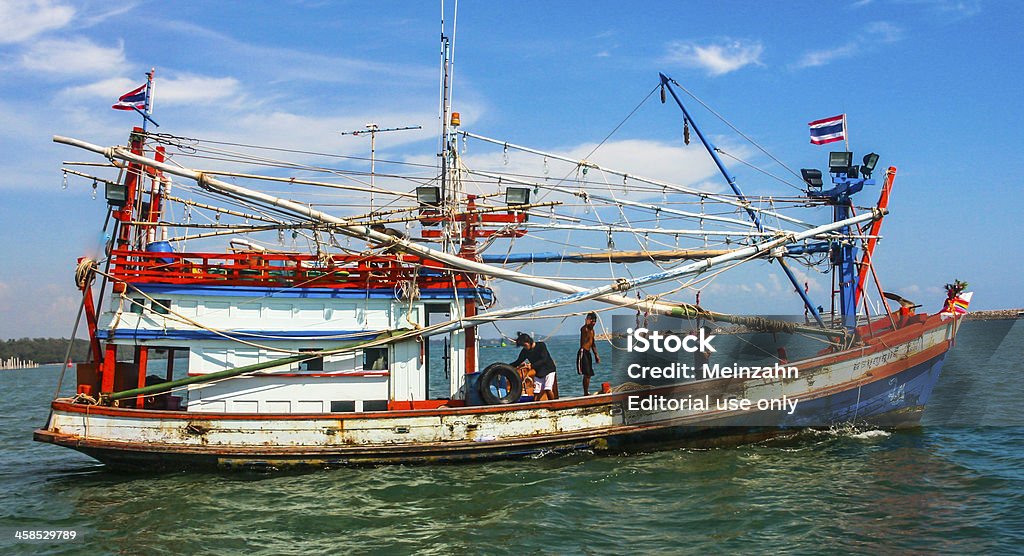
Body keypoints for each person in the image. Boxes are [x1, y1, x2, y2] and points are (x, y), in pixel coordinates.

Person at [510, 332, 557, 401]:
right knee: (536, 392)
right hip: (539, 372)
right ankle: (535, 406)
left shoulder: (541, 345)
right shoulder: (525, 351)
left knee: (547, 389)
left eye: (524, 345)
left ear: (529, 341)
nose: (524, 347)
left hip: (549, 370)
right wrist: (506, 366)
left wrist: (532, 365)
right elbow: (518, 362)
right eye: (523, 346)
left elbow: (543, 359)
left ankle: (553, 404)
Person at [576, 312, 600, 395]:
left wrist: (596, 355)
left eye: (595, 321)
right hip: (583, 352)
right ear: (589, 320)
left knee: (589, 374)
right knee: (586, 373)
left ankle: (586, 391)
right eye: (592, 321)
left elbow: (593, 343)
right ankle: (585, 392)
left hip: (588, 353)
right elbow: (583, 328)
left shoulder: (592, 331)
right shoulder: (585, 329)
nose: (593, 323)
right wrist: (586, 322)